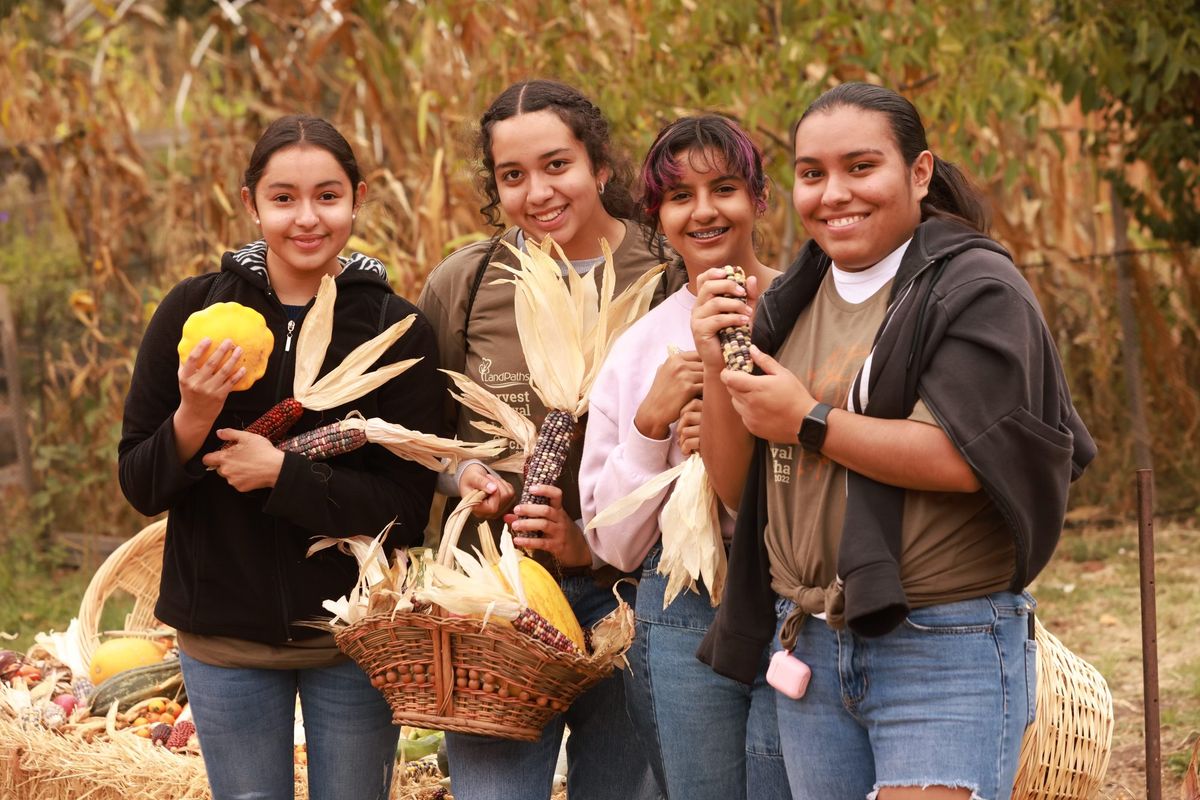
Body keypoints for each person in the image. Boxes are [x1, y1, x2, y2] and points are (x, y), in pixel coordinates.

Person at [692, 83, 1096, 800]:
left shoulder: (975, 288)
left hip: (939, 642)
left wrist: (810, 419)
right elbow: (737, 487)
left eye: (860, 166)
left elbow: (964, 459)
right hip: (809, 640)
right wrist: (713, 359)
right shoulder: (792, 301)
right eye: (811, 174)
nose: (833, 193)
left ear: (919, 172)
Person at [118, 114, 445, 800]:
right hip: (222, 636)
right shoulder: (191, 310)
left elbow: (410, 512)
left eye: (328, 196)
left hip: (353, 640)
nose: (307, 218)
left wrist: (285, 477)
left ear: (359, 197)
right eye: (283, 197)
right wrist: (195, 416)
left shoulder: (397, 329)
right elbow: (140, 484)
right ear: (251, 203)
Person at [416, 79, 675, 800]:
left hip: (626, 600)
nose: (538, 192)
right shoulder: (466, 282)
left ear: (600, 166)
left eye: (557, 164)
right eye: (512, 176)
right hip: (496, 603)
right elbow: (426, 438)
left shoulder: (665, 275)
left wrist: (588, 543)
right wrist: (464, 473)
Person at [579, 114, 790, 800]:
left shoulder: (810, 308)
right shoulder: (639, 348)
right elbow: (610, 540)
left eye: (724, 188)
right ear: (657, 217)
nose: (703, 211)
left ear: (759, 199)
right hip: (682, 606)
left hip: (803, 599)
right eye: (679, 197)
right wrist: (650, 426)